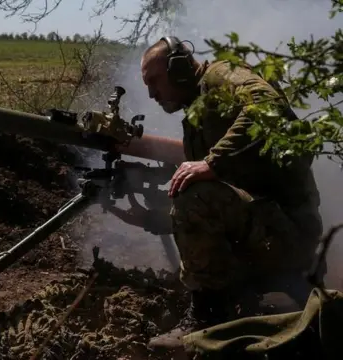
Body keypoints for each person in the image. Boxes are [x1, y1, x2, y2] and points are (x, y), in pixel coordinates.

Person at [139, 36, 324, 354]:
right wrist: (149, 216)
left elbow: (268, 106)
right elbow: (226, 197)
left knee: (196, 198)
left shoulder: (220, 76)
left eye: (155, 81)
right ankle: (234, 300)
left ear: (180, 69)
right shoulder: (198, 109)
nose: (152, 93)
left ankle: (206, 319)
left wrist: (212, 163)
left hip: (287, 233)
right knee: (193, 193)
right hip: (267, 230)